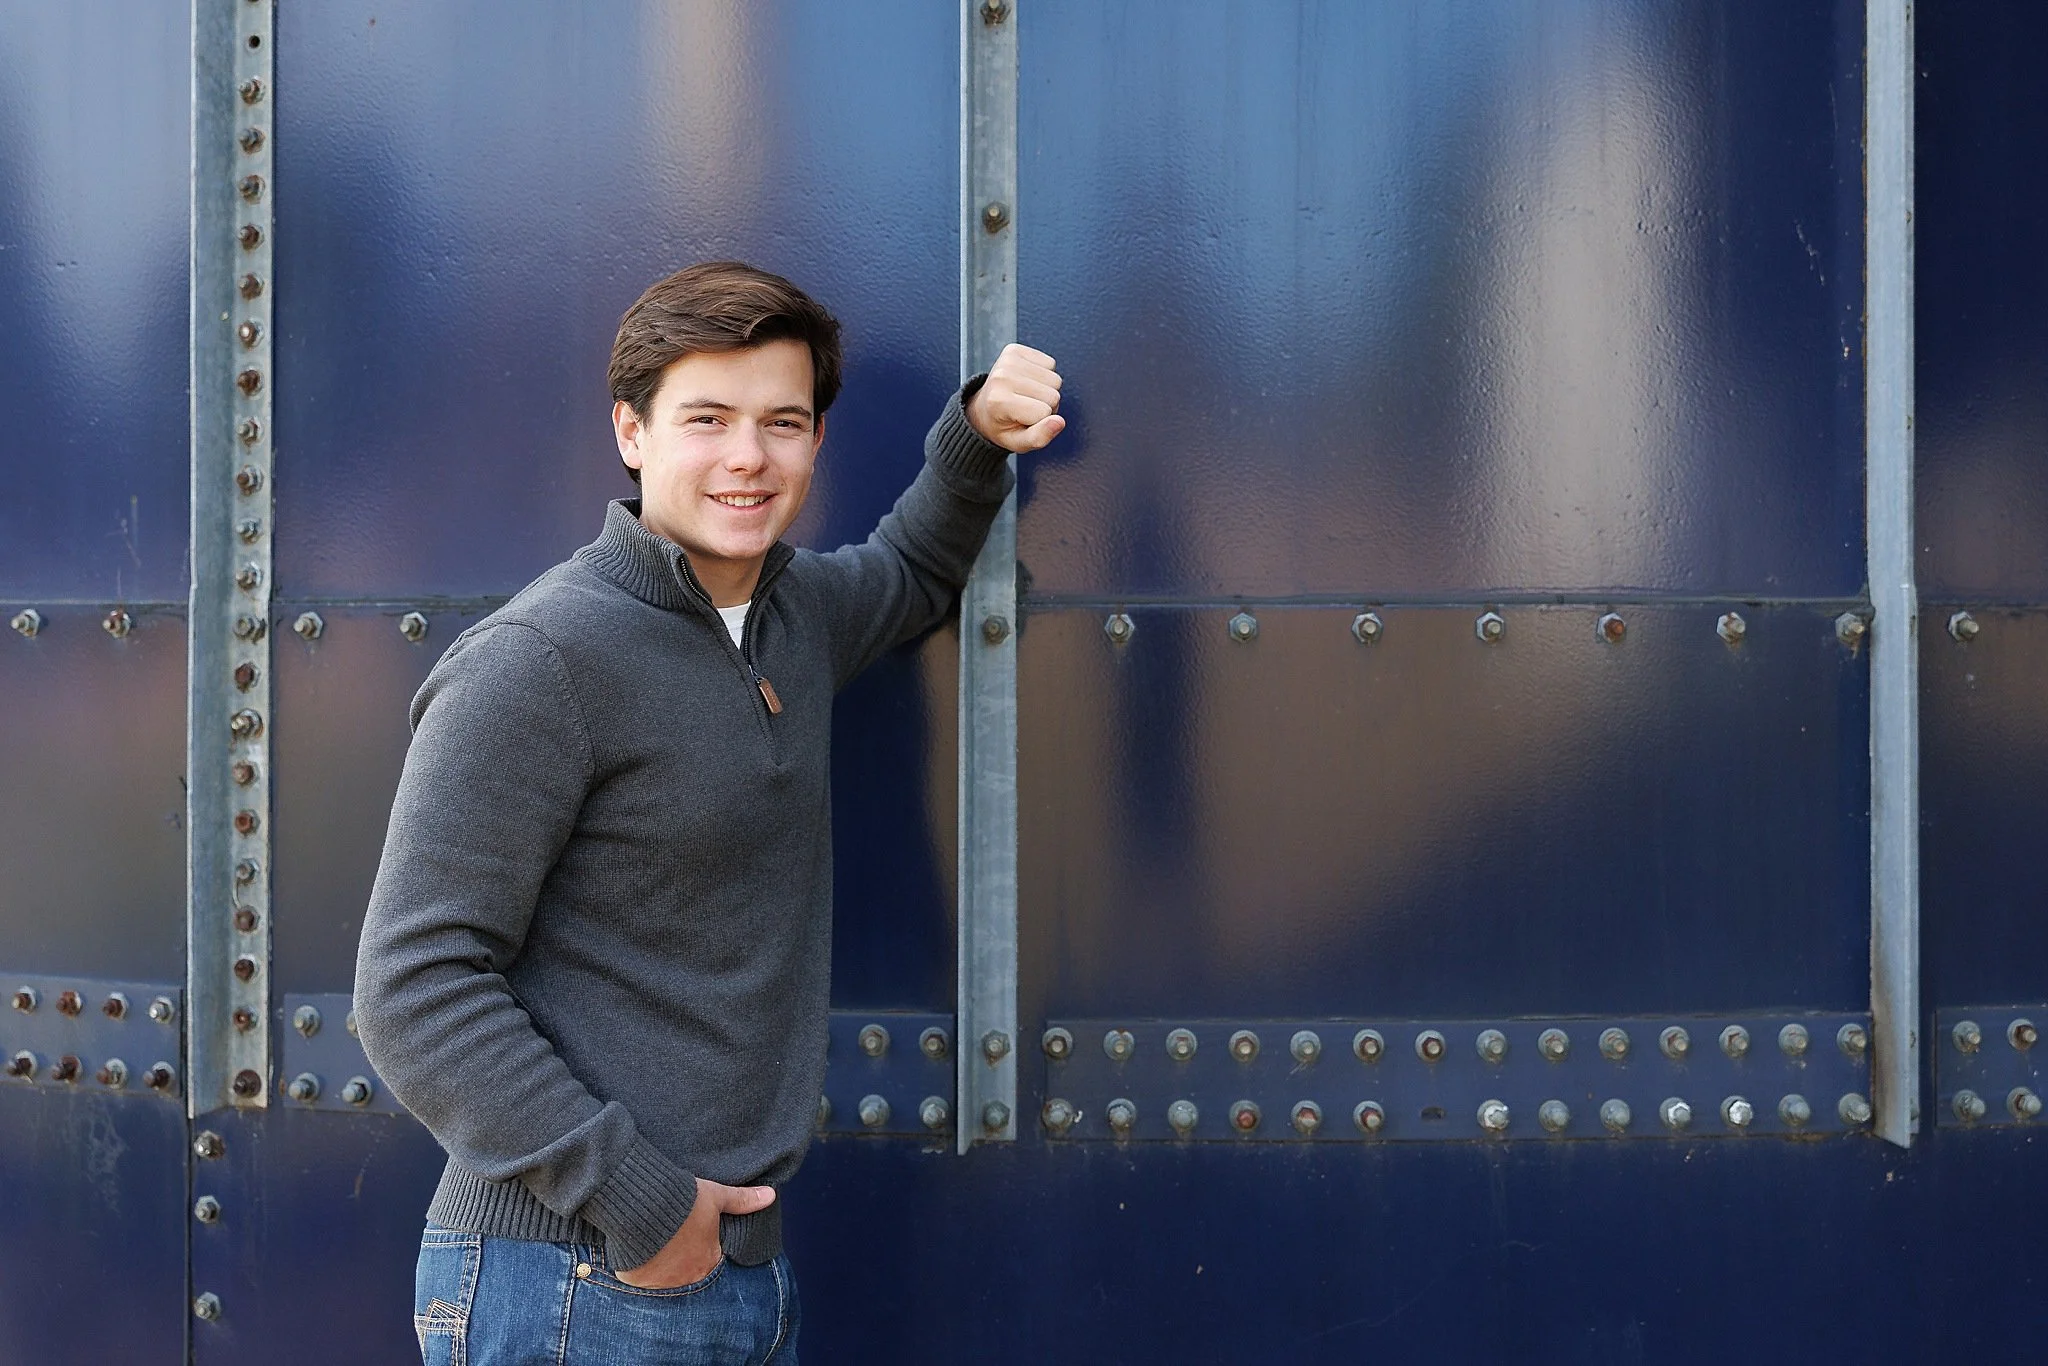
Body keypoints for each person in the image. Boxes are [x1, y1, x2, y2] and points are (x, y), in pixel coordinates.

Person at [353, 260, 1065, 1365]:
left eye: (783, 422)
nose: (748, 456)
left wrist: (974, 436)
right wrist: (637, 1204)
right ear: (631, 432)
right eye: (707, 419)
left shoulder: (796, 616)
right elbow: (410, 986)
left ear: (816, 441)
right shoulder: (539, 660)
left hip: (733, 1273)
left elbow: (914, 568)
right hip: (574, 1277)